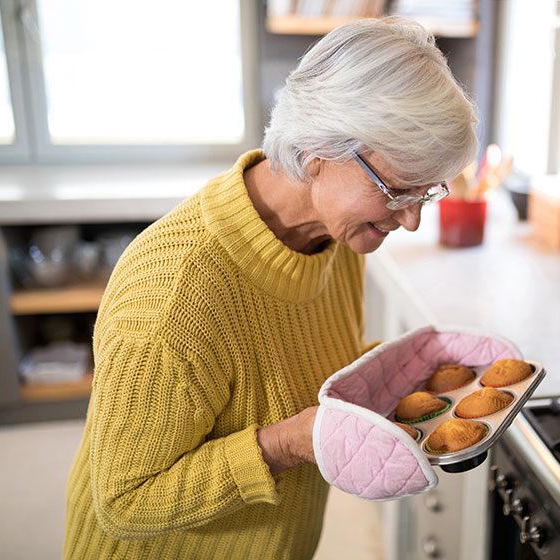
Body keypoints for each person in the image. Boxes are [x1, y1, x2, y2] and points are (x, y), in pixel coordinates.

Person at [63, 16, 478, 560]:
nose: (411, 222)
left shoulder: (335, 237)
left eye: (426, 194)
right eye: (398, 190)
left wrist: (394, 375)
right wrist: (288, 443)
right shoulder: (173, 296)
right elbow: (124, 501)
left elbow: (297, 368)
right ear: (316, 152)